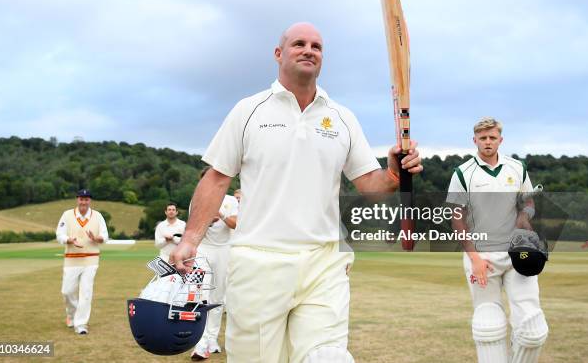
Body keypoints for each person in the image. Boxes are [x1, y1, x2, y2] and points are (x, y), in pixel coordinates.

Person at [172, 22, 422, 363]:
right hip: (259, 261)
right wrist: (191, 237)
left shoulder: (342, 118)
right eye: (299, 44)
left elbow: (371, 184)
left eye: (316, 46)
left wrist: (394, 172)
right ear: (278, 54)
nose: (309, 50)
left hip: (324, 262)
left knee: (329, 358)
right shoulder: (249, 111)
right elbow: (216, 178)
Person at [447, 117, 548, 363]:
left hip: (518, 252)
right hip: (482, 256)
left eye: (492, 137)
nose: (488, 142)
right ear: (475, 141)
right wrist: (474, 258)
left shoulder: (517, 167)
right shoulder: (462, 173)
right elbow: (456, 218)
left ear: (500, 140)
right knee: (488, 325)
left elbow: (528, 202)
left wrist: (525, 217)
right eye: (483, 138)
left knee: (532, 330)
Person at [191, 167, 239, 361]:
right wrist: (207, 221)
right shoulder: (196, 200)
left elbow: (236, 224)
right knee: (200, 295)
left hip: (223, 251)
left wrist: (221, 215)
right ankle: (200, 344)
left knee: (218, 296)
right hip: (203, 249)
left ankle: (212, 340)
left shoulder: (230, 200)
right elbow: (194, 228)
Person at [56, 189, 109, 335]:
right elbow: (59, 234)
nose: (84, 202)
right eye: (81, 199)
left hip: (91, 259)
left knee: (86, 292)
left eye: (86, 199)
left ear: (90, 201)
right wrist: (69, 240)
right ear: (77, 200)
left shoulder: (97, 216)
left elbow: (105, 236)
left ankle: (81, 324)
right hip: (72, 259)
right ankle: (72, 315)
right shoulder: (67, 215)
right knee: (67, 291)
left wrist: (96, 238)